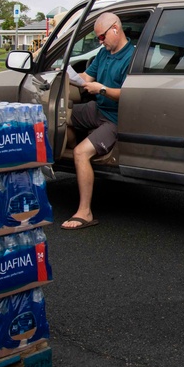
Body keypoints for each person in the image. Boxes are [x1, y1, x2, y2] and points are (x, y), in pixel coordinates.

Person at [61, 12, 135, 231]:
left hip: (115, 118)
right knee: (60, 116)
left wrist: (101, 89)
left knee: (81, 153)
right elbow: (86, 78)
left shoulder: (131, 57)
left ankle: (85, 212)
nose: (100, 42)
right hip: (98, 108)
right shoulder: (104, 54)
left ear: (115, 29)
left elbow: (128, 94)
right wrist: (65, 75)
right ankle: (79, 149)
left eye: (102, 37)